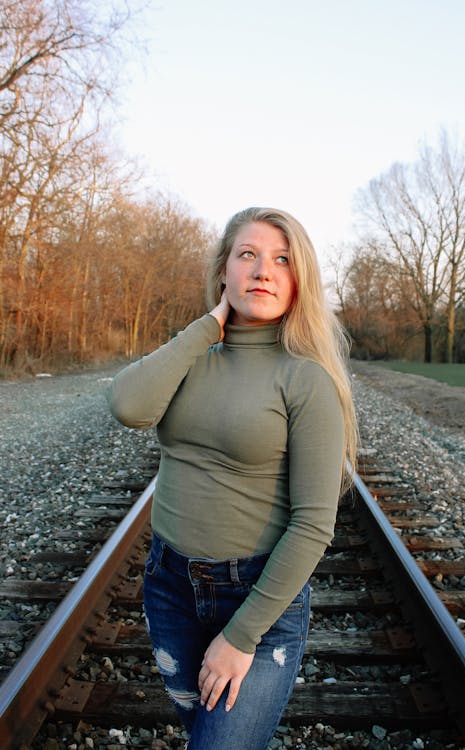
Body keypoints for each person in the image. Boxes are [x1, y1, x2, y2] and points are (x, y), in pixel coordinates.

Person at [107, 207, 357, 749]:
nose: (263, 270)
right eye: (248, 255)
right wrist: (207, 326)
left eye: (282, 261)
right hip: (170, 586)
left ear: (298, 282)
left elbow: (314, 523)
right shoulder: (194, 356)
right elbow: (128, 405)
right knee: (206, 736)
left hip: (259, 600)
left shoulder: (305, 380)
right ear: (224, 270)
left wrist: (241, 636)